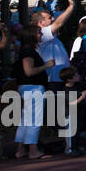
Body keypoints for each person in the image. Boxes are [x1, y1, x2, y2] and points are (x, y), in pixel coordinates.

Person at [12, 25, 52, 160]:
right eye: (39, 33)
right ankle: (33, 150)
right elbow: (28, 71)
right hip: (33, 88)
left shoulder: (25, 50)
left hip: (27, 87)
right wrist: (46, 66)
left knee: (25, 119)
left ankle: (21, 149)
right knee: (34, 119)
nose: (41, 34)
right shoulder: (28, 51)